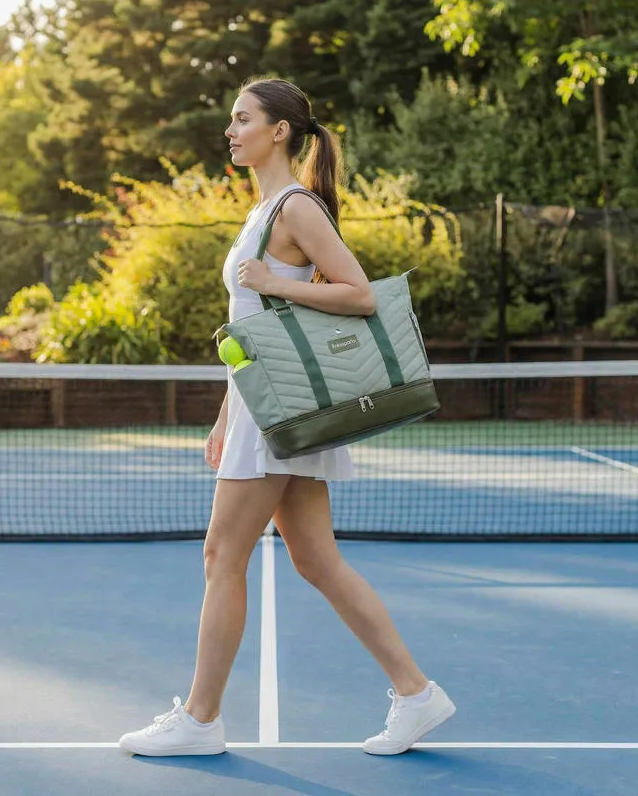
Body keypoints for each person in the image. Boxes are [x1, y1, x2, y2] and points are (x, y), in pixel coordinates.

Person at [119, 77, 455, 757]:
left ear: (279, 131)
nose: (231, 130)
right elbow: (250, 330)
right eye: (231, 120)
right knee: (316, 560)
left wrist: (274, 282)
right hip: (261, 404)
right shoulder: (262, 209)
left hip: (285, 410)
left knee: (222, 555)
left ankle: (201, 720)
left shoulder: (296, 209)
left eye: (243, 119)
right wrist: (223, 414)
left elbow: (361, 296)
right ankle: (417, 695)